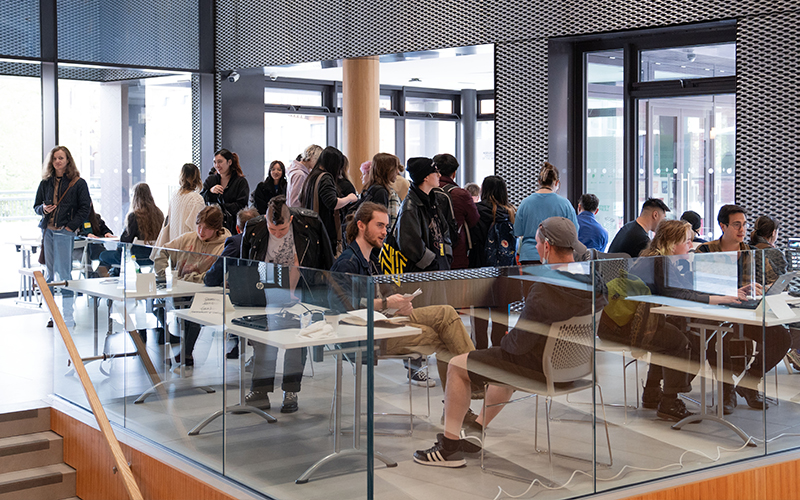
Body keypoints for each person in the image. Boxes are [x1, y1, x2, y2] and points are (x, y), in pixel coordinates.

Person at [413, 217, 601, 467]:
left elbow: (516, 347)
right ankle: (477, 429)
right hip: (576, 369)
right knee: (504, 360)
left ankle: (448, 449)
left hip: (540, 370)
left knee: (458, 366)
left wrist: (507, 339)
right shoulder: (594, 285)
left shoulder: (544, 290)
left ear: (546, 248)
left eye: (536, 243)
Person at [598, 219, 743, 419]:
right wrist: (720, 298)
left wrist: (727, 292)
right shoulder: (660, 262)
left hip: (622, 324)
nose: (691, 246)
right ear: (672, 244)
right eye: (687, 241)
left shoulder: (656, 258)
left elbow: (684, 289)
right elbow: (678, 295)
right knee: (679, 342)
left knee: (671, 335)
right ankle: (669, 402)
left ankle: (652, 393)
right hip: (626, 329)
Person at [330, 202, 475, 392]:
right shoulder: (347, 263)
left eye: (387, 226)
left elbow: (387, 292)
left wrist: (400, 304)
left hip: (385, 319)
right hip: (368, 334)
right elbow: (343, 306)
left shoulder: (372, 259)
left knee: (446, 312)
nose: (384, 231)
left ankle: (470, 386)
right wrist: (385, 303)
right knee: (442, 337)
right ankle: (468, 392)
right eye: (379, 225)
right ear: (361, 225)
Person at [239, 195, 334, 412]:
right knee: (264, 341)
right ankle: (260, 390)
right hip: (266, 290)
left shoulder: (311, 224)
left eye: (282, 230)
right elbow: (244, 264)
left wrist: (325, 294)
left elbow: (326, 260)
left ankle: (291, 391)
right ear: (265, 220)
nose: (277, 234)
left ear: (290, 220)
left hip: (301, 290)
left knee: (295, 342)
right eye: (273, 230)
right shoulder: (254, 228)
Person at [696, 204, 792, 414]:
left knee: (782, 338)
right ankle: (726, 390)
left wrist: (764, 287)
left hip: (747, 314)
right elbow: (699, 286)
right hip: (716, 314)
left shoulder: (751, 252)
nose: (742, 230)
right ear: (723, 226)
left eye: (745, 225)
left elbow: (772, 280)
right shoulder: (705, 251)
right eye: (736, 225)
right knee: (719, 339)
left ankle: (749, 382)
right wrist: (734, 290)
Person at [153, 206, 231, 367]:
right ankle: (180, 344)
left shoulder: (224, 246)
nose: (201, 231)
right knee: (155, 304)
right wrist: (162, 275)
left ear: (216, 229)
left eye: (207, 228)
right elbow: (162, 251)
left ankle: (186, 354)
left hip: (206, 292)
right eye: (199, 226)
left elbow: (217, 276)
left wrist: (192, 278)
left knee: (193, 312)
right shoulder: (187, 238)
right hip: (181, 287)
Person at [34, 146, 92, 327]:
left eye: (61, 158)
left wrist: (70, 227)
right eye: (55, 158)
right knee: (50, 275)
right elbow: (36, 206)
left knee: (64, 274)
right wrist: (42, 209)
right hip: (48, 231)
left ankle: (68, 317)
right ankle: (54, 316)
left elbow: (85, 207)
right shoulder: (45, 183)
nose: (58, 161)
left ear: (68, 160)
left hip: (64, 232)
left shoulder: (78, 183)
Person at [204, 207, 260, 359]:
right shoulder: (270, 239)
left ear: (237, 228)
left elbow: (216, 272)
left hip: (244, 300)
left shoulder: (236, 242)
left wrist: (207, 279)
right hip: (269, 297)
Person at [468, 175, 516, 349]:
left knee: (479, 315)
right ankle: (499, 350)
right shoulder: (511, 212)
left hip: (480, 268)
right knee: (501, 314)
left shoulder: (477, 210)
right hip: (504, 272)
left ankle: (479, 351)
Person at [393, 157, 453, 273]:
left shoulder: (433, 200)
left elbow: (444, 230)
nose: (439, 175)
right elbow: (411, 245)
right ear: (425, 177)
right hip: (422, 273)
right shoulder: (410, 206)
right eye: (435, 171)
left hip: (438, 268)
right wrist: (433, 264)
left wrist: (446, 257)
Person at [514, 162, 579, 264]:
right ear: (557, 183)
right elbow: (574, 231)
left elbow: (517, 231)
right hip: (556, 256)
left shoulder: (525, 203)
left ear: (539, 181)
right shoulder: (565, 204)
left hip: (529, 256)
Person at [299, 146, 358, 255]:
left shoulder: (312, 176)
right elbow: (333, 203)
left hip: (311, 229)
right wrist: (350, 198)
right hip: (324, 231)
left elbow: (300, 197)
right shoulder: (325, 178)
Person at [98, 183, 164, 276]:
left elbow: (125, 240)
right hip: (153, 257)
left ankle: (109, 280)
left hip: (134, 257)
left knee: (103, 255)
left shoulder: (134, 216)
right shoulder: (159, 214)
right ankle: (117, 273)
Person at [434, 154, 479, 270]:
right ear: (454, 173)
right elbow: (474, 219)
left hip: (430, 251)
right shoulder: (461, 194)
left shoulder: (426, 191)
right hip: (455, 251)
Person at [201, 149, 250, 234]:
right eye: (215, 162)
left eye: (220, 162)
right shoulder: (211, 180)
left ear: (229, 162)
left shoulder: (240, 182)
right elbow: (201, 199)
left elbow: (241, 205)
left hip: (233, 226)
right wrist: (210, 191)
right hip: (213, 226)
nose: (217, 165)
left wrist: (220, 208)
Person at [163, 163, 206, 242]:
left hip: (173, 244)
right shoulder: (196, 198)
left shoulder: (174, 195)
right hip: (188, 246)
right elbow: (198, 227)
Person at [361, 153, 403, 229]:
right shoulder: (381, 192)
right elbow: (380, 222)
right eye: (395, 168)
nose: (397, 172)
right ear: (387, 170)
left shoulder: (372, 189)